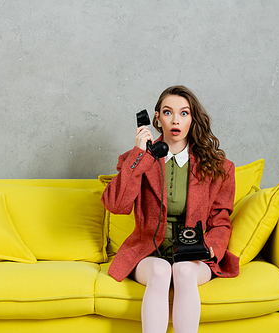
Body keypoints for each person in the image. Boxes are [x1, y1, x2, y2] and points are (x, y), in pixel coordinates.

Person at [101, 85, 240, 333]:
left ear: (193, 118)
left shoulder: (220, 167)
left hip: (194, 254)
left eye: (184, 113)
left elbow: (221, 220)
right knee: (161, 269)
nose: (175, 120)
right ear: (156, 118)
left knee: (183, 270)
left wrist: (212, 246)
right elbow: (116, 205)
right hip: (149, 253)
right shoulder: (136, 159)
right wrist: (139, 154)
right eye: (168, 112)